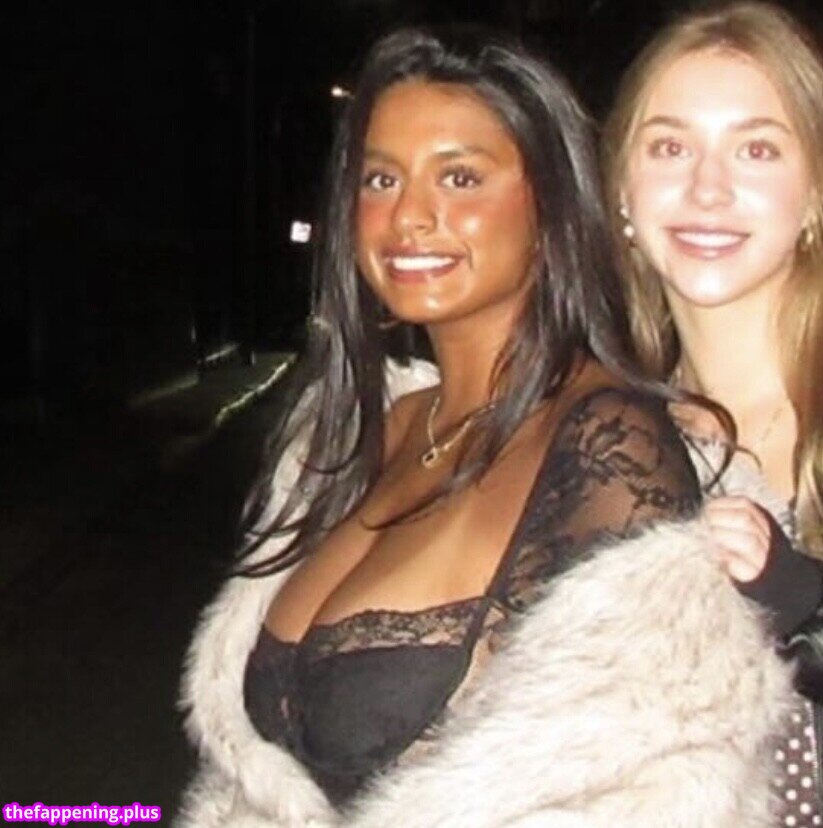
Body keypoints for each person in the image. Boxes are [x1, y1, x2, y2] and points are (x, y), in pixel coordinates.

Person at [177, 26, 793, 828]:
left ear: (549, 203)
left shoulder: (609, 448)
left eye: (460, 176)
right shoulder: (364, 432)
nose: (409, 216)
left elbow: (655, 789)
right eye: (380, 178)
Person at [602, 2, 823, 824]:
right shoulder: (603, 446)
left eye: (755, 149)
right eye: (669, 147)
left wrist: (805, 604)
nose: (706, 188)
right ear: (622, 193)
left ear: (813, 192)